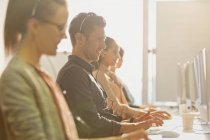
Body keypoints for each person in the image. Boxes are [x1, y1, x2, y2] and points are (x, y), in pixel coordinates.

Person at [0, 1, 150, 140]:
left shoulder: (39, 76)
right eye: (60, 27)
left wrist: (126, 136)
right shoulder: (17, 80)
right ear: (34, 26)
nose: (64, 35)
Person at [56, 12, 163, 139]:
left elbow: (103, 118)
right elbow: (92, 125)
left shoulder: (85, 73)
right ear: (79, 38)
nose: (103, 45)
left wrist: (133, 123)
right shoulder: (73, 74)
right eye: (99, 39)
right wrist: (135, 126)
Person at [92, 36, 171, 120]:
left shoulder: (110, 75)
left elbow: (125, 105)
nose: (119, 57)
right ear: (103, 53)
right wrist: (146, 113)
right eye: (115, 52)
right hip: (117, 124)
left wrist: (146, 114)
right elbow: (118, 107)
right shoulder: (99, 74)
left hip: (123, 121)